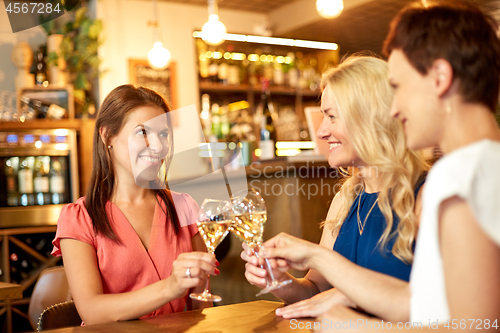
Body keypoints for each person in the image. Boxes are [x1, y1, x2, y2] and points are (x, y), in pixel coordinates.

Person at [262, 2, 500, 331]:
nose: (394, 108)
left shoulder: (461, 176)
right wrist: (343, 293)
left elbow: (477, 326)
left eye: (399, 87)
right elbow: (429, 302)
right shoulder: (479, 166)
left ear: (441, 78)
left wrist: (359, 327)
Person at [242, 55, 427, 321]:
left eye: (331, 117)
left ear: (370, 118)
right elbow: (317, 290)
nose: (321, 132)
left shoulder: (426, 196)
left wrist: (315, 256)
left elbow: (446, 311)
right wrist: (278, 280)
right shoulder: (346, 198)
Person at [51, 85, 218, 325]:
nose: (159, 146)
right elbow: (91, 311)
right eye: (143, 132)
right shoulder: (79, 217)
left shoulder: (184, 206)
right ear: (107, 135)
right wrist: (170, 287)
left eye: (163, 134)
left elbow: (202, 305)